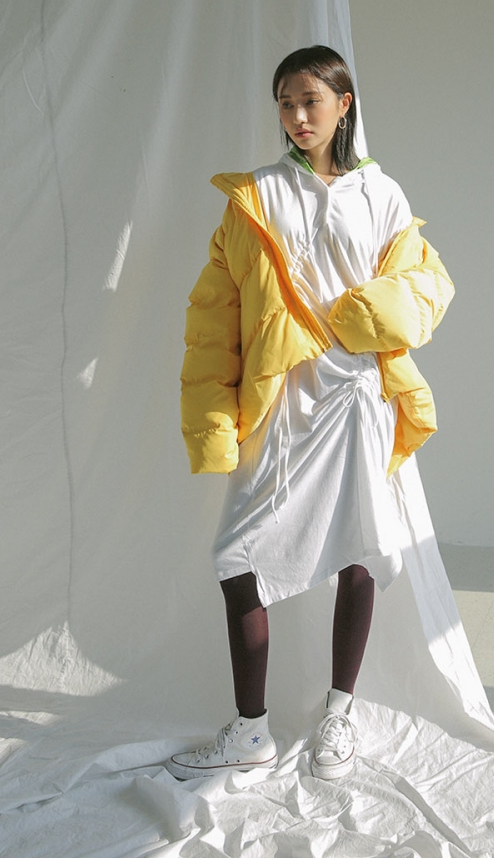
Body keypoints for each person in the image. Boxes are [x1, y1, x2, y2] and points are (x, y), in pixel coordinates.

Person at [166, 45, 454, 782]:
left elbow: (426, 287)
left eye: (311, 101)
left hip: (357, 398)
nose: (297, 116)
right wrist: (214, 418)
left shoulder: (382, 195)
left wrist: (363, 318)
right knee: (236, 557)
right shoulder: (257, 195)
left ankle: (338, 714)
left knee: (360, 549)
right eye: (286, 104)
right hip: (283, 403)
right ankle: (250, 731)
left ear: (344, 104)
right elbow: (217, 313)